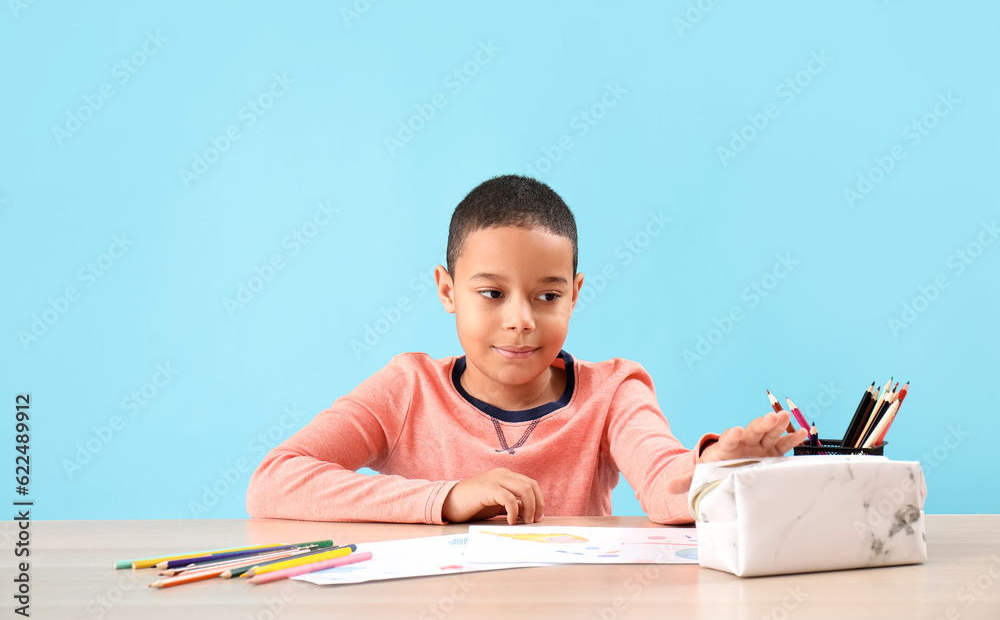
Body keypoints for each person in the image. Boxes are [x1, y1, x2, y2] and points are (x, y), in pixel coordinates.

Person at [245, 175, 806, 525]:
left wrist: (714, 469)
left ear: (575, 294)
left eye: (547, 295)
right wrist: (445, 498)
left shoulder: (613, 392)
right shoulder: (407, 388)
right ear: (447, 290)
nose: (521, 320)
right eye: (491, 293)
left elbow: (664, 487)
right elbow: (274, 480)